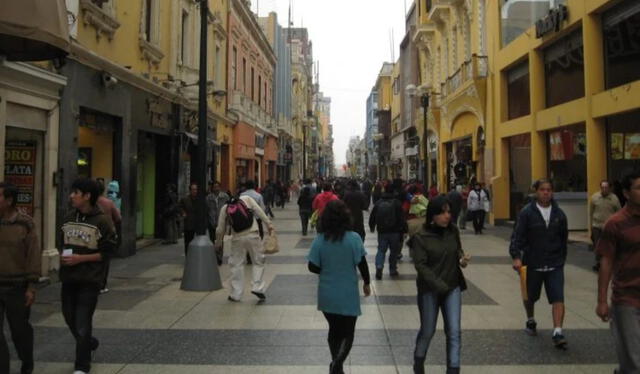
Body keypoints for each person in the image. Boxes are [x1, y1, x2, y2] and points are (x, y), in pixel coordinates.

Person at [60, 178, 117, 374]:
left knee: (82, 322)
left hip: (89, 280)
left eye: (76, 192)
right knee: (69, 319)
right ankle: (89, 343)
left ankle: (82, 366)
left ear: (87, 196)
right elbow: (63, 243)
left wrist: (80, 259)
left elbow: (108, 252)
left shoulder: (102, 221)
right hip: (68, 278)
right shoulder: (68, 218)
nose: (71, 196)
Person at [307, 200, 371, 374]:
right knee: (348, 331)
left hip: (327, 293)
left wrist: (326, 268)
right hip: (348, 293)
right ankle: (337, 362)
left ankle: (337, 363)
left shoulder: (320, 239)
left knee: (334, 330)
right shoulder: (354, 238)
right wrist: (367, 283)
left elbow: (312, 266)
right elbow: (362, 263)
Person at [409, 195, 469, 374]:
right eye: (442, 212)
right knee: (428, 330)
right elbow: (420, 265)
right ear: (433, 215)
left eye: (449, 212)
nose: (447, 216)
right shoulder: (421, 237)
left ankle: (453, 368)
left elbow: (457, 250)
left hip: (452, 287)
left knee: (454, 331)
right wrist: (438, 284)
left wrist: (462, 259)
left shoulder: (453, 232)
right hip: (429, 289)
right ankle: (419, 361)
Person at [509, 179, 569, 349]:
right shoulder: (527, 213)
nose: (546, 193)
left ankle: (558, 331)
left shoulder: (559, 214)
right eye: (542, 190)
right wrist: (516, 256)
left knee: (558, 297)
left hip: (554, 263)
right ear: (536, 192)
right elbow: (517, 237)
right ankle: (530, 319)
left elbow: (563, 239)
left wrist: (561, 259)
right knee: (530, 296)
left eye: (549, 190)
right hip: (533, 262)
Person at [595, 172, 640, 374]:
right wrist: (602, 300)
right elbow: (606, 262)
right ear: (626, 193)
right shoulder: (615, 223)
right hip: (627, 300)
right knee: (634, 363)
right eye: (639, 188)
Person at [0, 182, 40, 374]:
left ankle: (27, 361)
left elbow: (33, 255)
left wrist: (31, 286)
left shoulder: (25, 223)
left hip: (17, 286)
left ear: (9, 200)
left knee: (19, 331)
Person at [215, 194, 273, 302]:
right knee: (258, 261)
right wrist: (269, 225)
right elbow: (259, 211)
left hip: (237, 237)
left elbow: (220, 229)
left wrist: (218, 244)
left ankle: (236, 294)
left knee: (236, 264)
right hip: (253, 234)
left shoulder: (225, 208)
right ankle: (257, 287)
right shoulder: (247, 199)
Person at [369, 185, 408, 280]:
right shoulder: (397, 203)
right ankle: (392, 270)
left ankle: (379, 266)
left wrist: (372, 226)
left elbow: (372, 216)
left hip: (382, 231)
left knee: (381, 250)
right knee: (394, 252)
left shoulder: (378, 203)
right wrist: (404, 230)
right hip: (395, 232)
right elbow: (402, 218)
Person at [95, 180, 121, 294]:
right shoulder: (108, 203)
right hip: (107, 234)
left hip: (92, 233)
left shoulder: (90, 203)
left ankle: (93, 282)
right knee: (105, 260)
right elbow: (118, 218)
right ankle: (102, 285)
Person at [589, 180, 621, 272]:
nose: (604, 189)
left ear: (609, 188)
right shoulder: (595, 197)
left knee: (609, 246)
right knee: (598, 246)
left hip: (609, 226)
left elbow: (619, 212)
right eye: (602, 187)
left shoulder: (614, 198)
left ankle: (610, 263)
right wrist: (591, 226)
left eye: (606, 187)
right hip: (597, 225)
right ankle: (599, 263)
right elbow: (591, 212)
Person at [206, 181, 230, 265]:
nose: (216, 188)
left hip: (221, 222)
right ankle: (213, 257)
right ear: (212, 188)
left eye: (217, 186)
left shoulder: (225, 197)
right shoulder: (209, 198)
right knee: (212, 240)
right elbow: (207, 210)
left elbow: (229, 209)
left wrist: (228, 221)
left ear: (220, 187)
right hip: (211, 222)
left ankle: (219, 258)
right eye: (214, 187)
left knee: (220, 241)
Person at [178, 183, 198, 256]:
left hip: (197, 225)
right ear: (190, 190)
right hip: (188, 224)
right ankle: (188, 257)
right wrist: (183, 212)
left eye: (196, 189)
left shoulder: (199, 200)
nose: (195, 191)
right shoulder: (185, 199)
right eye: (193, 189)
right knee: (188, 243)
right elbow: (179, 207)